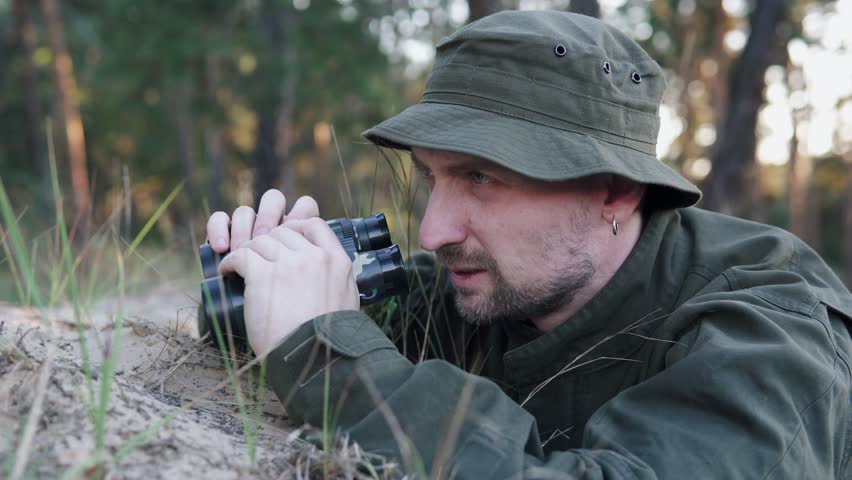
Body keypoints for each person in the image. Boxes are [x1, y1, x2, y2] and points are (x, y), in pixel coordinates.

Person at [205, 10, 852, 479]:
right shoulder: (476, 286)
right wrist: (256, 276)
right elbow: (272, 328)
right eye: (432, 176)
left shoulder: (772, 333)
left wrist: (333, 360)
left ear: (615, 193)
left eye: (482, 179)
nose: (433, 233)